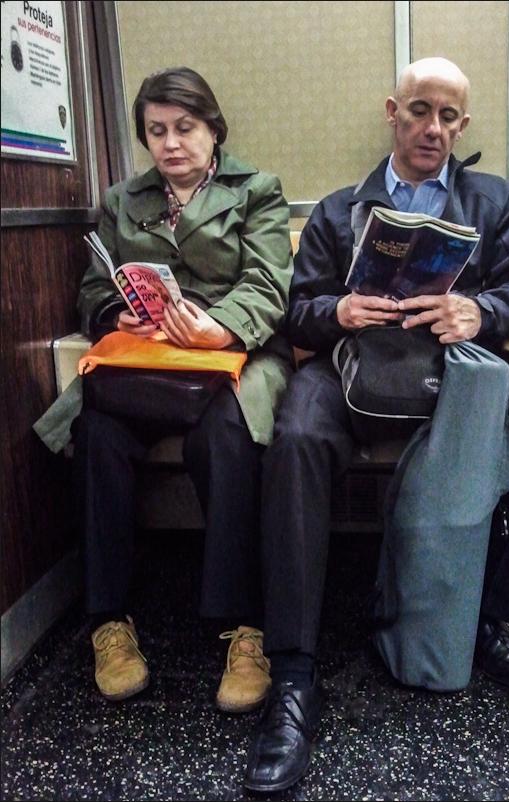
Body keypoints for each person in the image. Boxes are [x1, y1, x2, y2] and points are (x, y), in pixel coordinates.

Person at [242, 57, 509, 793]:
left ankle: (490, 618)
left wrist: (478, 311)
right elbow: (297, 312)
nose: (433, 128)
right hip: (354, 362)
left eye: (448, 116)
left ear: (463, 124)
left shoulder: (494, 202)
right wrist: (338, 311)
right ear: (392, 111)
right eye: (420, 110)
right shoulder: (339, 211)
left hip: (457, 365)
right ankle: (293, 674)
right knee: (296, 439)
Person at [73, 67, 293, 709]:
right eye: (156, 131)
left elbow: (269, 282)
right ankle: (109, 620)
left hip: (234, 355)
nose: (170, 143)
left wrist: (220, 328)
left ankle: (243, 626)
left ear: (213, 129)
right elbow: (94, 287)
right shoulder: (122, 201)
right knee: (95, 430)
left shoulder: (256, 190)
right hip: (149, 359)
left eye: (185, 128)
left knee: (225, 433)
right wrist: (116, 315)